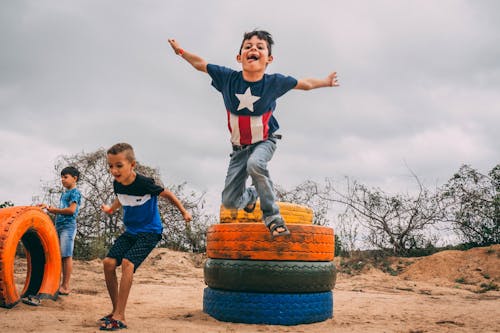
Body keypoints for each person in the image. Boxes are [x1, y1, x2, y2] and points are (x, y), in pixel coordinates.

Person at [168, 30, 339, 238]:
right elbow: (200, 64)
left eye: (260, 47)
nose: (253, 49)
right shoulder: (227, 78)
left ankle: (273, 218)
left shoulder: (274, 82)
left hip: (265, 141)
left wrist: (325, 81)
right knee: (230, 201)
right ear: (239, 57)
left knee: (256, 165)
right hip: (239, 149)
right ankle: (251, 197)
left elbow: (306, 84)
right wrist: (181, 51)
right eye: (248, 46)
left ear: (269, 59)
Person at [99, 142, 192, 331]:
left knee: (127, 263)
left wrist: (184, 212)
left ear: (132, 165)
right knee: (108, 263)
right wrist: (111, 208)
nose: (114, 170)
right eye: (110, 166)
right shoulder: (117, 183)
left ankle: (120, 317)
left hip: (150, 232)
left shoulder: (144, 183)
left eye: (119, 165)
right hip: (131, 232)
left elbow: (168, 194)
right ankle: (116, 309)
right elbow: (121, 198)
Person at [40, 166, 82, 296]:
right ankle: (56, 283)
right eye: (61, 177)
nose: (62, 180)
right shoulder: (65, 193)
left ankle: (65, 286)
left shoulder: (75, 192)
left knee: (66, 255)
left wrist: (54, 210)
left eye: (65, 177)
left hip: (68, 227)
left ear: (74, 178)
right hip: (59, 226)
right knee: (57, 255)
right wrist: (48, 208)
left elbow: (71, 210)